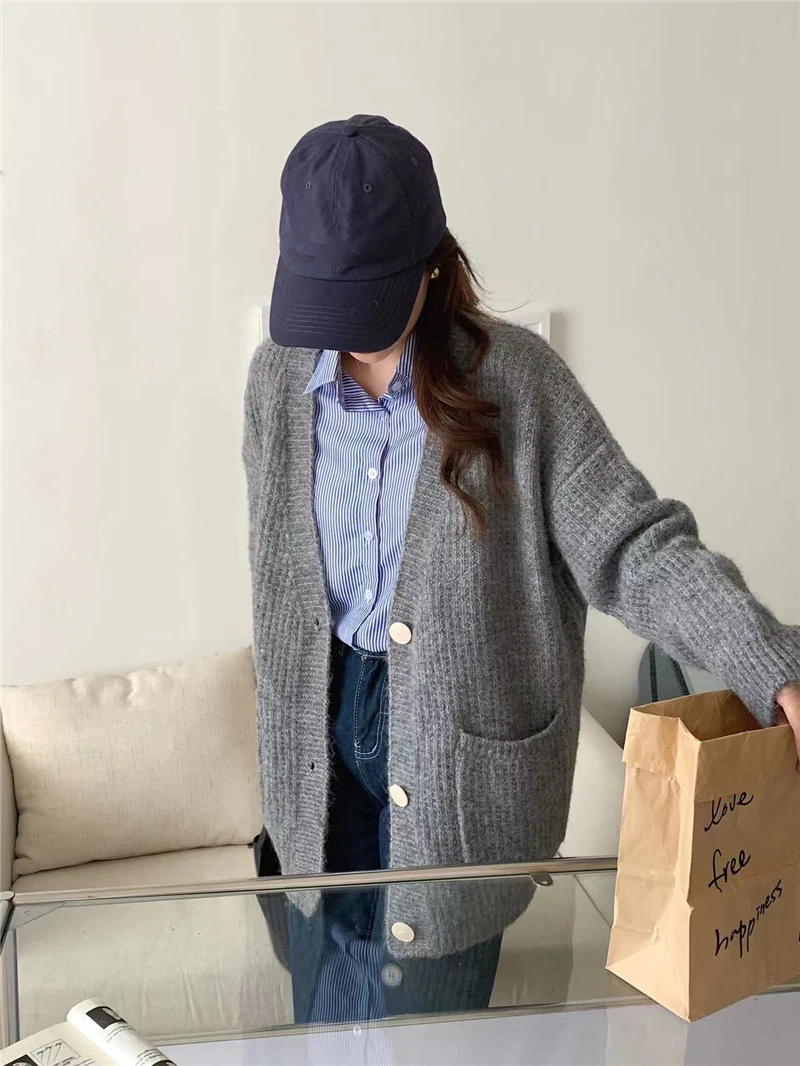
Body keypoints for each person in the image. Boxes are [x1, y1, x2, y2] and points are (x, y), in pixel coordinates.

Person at [243, 114, 800, 1025]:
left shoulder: (521, 386)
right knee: (325, 1017)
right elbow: (282, 580)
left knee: (425, 1031)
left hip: (454, 762)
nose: (343, 335)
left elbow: (634, 545)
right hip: (318, 747)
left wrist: (769, 665)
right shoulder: (277, 383)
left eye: (365, 304)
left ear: (431, 266)